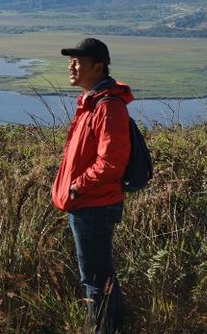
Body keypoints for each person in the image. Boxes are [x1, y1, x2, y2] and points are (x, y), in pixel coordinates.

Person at [52, 38, 133, 333]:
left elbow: (111, 163)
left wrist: (77, 187)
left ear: (98, 67)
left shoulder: (108, 107)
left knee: (96, 282)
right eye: (70, 61)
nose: (71, 67)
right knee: (101, 278)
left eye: (78, 62)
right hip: (88, 202)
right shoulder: (92, 103)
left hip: (94, 204)